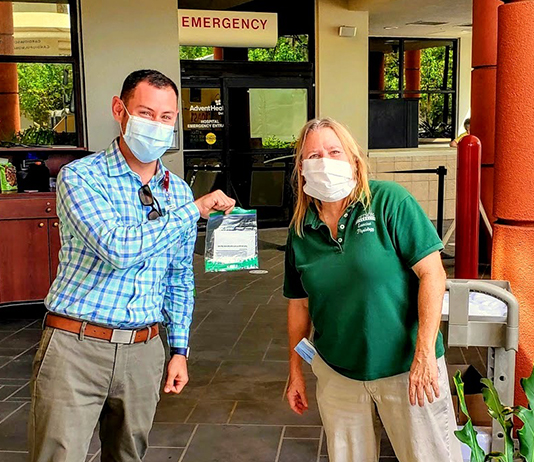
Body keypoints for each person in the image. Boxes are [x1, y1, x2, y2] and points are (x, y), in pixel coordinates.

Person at [28, 69, 235, 462]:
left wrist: (179, 348)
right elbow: (118, 248)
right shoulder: (81, 178)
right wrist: (193, 211)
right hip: (77, 346)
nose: (156, 125)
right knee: (57, 455)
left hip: (144, 350)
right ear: (119, 110)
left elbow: (178, 278)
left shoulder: (178, 191)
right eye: (146, 112)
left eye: (166, 117)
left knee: (129, 455)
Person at [284, 118, 462, 462]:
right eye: (314, 155)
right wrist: (295, 371)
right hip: (339, 373)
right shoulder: (301, 231)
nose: (325, 162)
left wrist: (425, 353)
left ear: (353, 159)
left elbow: (432, 274)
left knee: (430, 456)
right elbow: (299, 306)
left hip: (409, 368)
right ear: (302, 169)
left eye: (334, 151)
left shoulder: (388, 202)